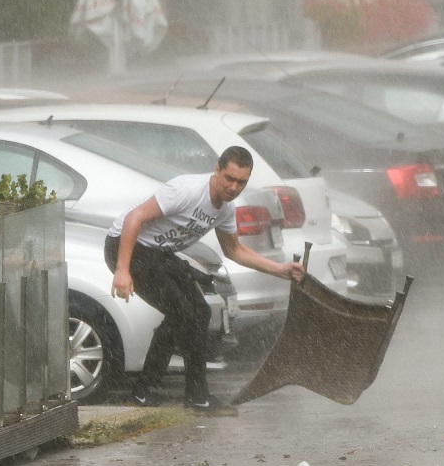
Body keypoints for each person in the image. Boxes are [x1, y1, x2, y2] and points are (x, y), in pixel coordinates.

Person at [104, 146, 304, 413]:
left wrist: (279, 269)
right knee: (181, 313)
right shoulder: (186, 190)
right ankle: (144, 392)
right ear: (217, 170)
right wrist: (122, 270)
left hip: (157, 252)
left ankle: (197, 396)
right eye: (229, 178)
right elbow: (135, 218)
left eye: (241, 182)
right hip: (126, 245)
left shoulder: (225, 209)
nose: (233, 187)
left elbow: (235, 250)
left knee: (199, 311)